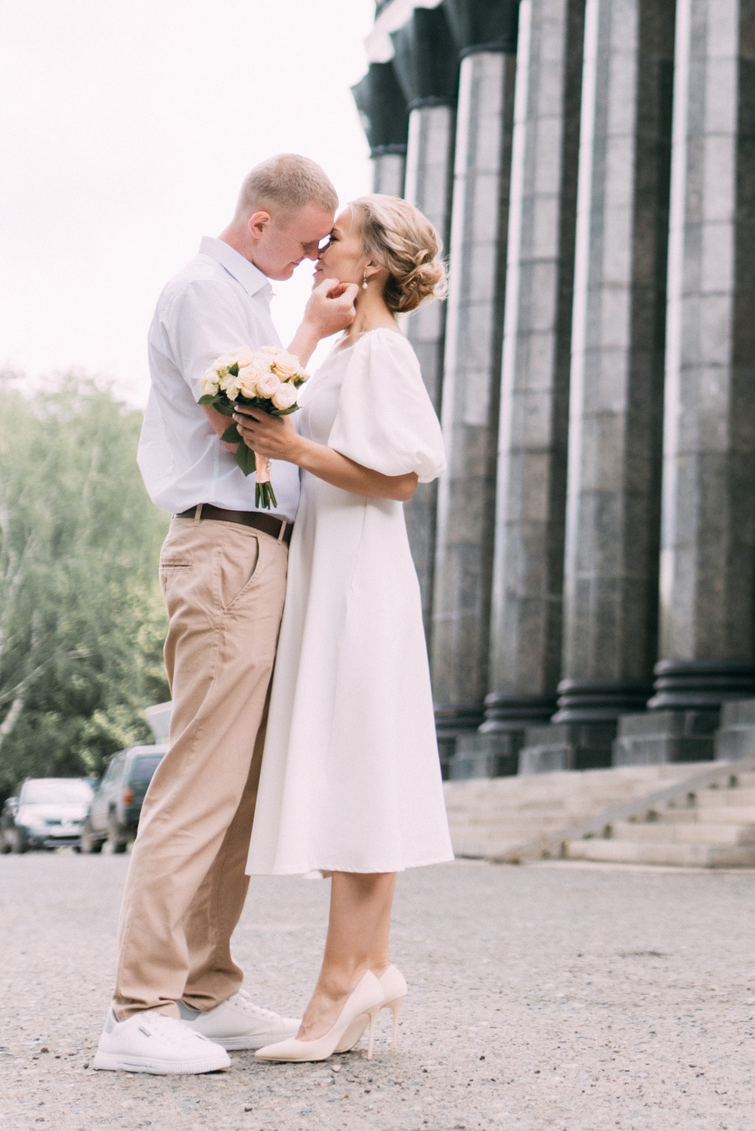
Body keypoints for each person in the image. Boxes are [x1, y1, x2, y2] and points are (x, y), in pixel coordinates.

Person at [93, 155, 356, 1076]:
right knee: (201, 778)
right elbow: (232, 415)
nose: (319, 253)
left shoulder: (244, 298)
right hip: (223, 544)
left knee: (239, 786)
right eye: (308, 236)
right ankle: (139, 1010)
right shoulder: (208, 289)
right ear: (258, 222)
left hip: (258, 545)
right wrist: (314, 332)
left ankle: (205, 990)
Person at [230, 194, 454, 1062]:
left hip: (361, 574)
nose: (323, 248)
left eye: (341, 239)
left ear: (374, 264)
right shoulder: (351, 351)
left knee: (362, 766)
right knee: (363, 764)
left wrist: (295, 451)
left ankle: (339, 985)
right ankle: (370, 965)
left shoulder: (385, 355)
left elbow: (401, 477)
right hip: (335, 565)